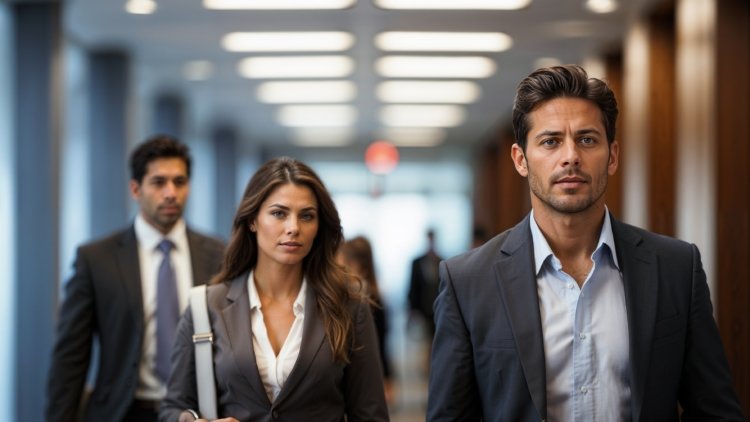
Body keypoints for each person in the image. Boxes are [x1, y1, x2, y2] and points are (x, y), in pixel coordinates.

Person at [427, 65, 745, 421]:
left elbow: (715, 410)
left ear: (612, 156)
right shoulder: (468, 281)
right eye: (550, 142)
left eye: (587, 139)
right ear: (521, 159)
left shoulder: (675, 268)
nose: (570, 156)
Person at [160, 157, 389, 422]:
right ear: (253, 220)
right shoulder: (208, 305)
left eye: (307, 216)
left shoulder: (348, 305)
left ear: (318, 226)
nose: (293, 228)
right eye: (279, 213)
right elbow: (172, 407)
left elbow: (371, 414)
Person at [46, 135, 226, 422]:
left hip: (196, 415)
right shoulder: (96, 259)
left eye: (179, 182)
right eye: (158, 182)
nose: (170, 193)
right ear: (135, 189)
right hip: (124, 412)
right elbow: (70, 358)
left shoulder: (219, 255)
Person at [338, 236, 394, 404]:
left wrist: (387, 378)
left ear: (356, 265)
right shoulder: (371, 295)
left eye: (342, 263)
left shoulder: (366, 300)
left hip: (366, 374)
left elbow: (380, 344)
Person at [407, 229, 442, 338]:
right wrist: (412, 309)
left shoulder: (441, 262)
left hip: (438, 310)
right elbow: (412, 286)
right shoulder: (417, 262)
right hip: (421, 310)